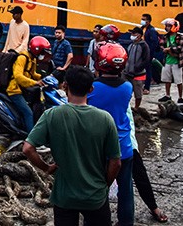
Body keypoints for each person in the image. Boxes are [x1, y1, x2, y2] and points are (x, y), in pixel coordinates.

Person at [23, 65, 121, 226]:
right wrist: (104, 185)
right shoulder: (105, 119)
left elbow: (27, 148)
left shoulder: (52, 115)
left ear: (65, 86)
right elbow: (116, 162)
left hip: (64, 196)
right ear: (91, 89)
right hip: (95, 196)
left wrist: (46, 167)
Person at [88, 41, 135, 226]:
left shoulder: (93, 88)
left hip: (101, 148)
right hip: (124, 145)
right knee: (126, 189)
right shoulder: (128, 87)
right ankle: (126, 222)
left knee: (100, 187)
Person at [127, 109, 169, 223]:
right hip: (105, 140)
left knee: (139, 175)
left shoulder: (122, 92)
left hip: (126, 141)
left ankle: (153, 207)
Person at [5, 36, 50, 132]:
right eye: (42, 52)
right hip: (14, 90)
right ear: (36, 49)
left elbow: (32, 74)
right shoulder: (22, 58)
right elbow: (18, 76)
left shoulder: (32, 58)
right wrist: (35, 82)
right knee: (28, 113)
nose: (43, 54)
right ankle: (30, 139)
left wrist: (44, 78)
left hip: (24, 89)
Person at [159, 18, 183, 103]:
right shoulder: (165, 37)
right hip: (167, 61)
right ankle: (167, 95)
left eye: (169, 26)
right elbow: (161, 45)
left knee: (178, 81)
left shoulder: (180, 37)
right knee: (167, 80)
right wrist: (164, 49)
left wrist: (169, 49)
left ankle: (180, 97)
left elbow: (180, 48)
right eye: (166, 26)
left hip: (176, 62)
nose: (167, 27)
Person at [125, 27, 151, 109]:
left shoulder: (144, 46)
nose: (132, 35)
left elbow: (146, 60)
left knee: (138, 93)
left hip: (138, 74)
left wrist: (137, 68)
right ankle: (127, 106)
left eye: (134, 33)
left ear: (139, 35)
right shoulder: (131, 45)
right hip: (127, 73)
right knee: (126, 92)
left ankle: (136, 108)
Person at [141, 13, 162, 94]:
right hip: (142, 52)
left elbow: (154, 43)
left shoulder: (151, 30)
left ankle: (147, 87)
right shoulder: (142, 28)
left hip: (148, 53)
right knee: (141, 69)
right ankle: (142, 85)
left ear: (148, 21)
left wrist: (149, 53)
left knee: (148, 69)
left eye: (144, 19)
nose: (142, 21)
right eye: (142, 19)